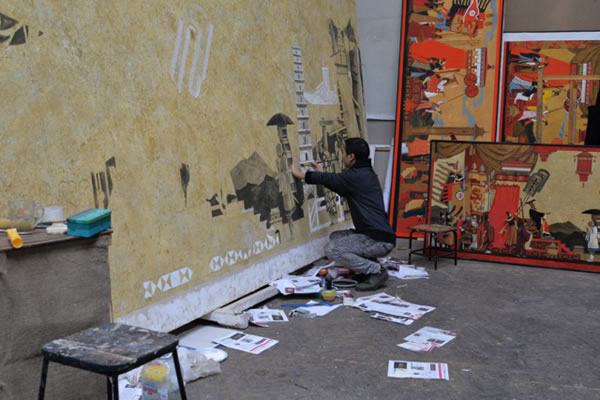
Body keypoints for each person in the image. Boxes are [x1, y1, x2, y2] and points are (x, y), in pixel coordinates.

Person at [291, 137, 395, 291]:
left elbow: (336, 180)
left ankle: (376, 271)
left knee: (332, 249)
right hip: (376, 235)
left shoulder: (356, 176)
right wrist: (321, 172)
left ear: (351, 157)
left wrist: (299, 173)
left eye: (343, 153)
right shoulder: (364, 173)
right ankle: (369, 269)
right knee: (335, 237)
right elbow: (335, 182)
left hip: (377, 239)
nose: (342, 157)